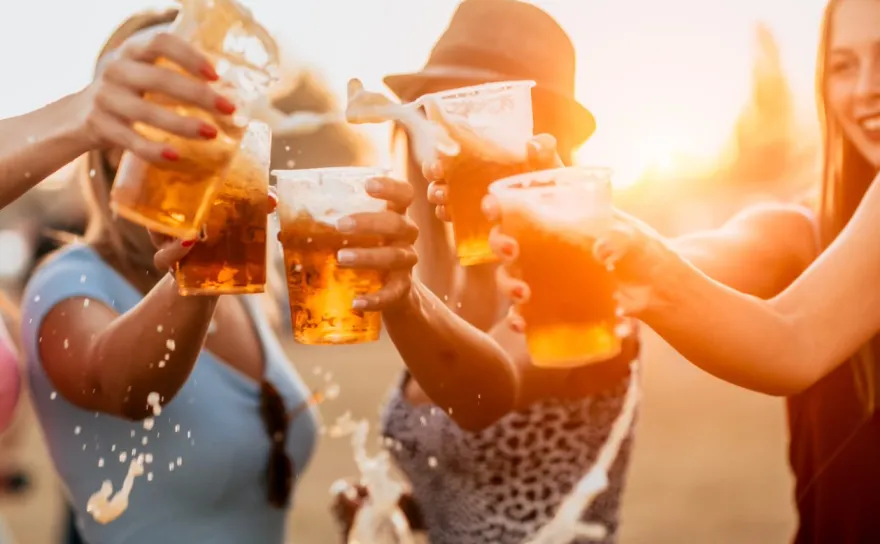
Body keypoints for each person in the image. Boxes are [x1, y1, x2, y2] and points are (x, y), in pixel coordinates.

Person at [19, 9, 417, 544]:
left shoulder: (244, 290)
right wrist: (203, 266)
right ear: (110, 140)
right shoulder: (67, 280)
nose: (201, 130)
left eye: (216, 107)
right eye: (171, 108)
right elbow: (124, 388)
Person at [487, 0, 880, 541]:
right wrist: (587, 239)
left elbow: (793, 338)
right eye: (842, 66)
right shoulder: (802, 226)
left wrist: (644, 267)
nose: (864, 88)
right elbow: (705, 252)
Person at [335, 2, 640, 543]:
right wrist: (400, 510)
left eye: (478, 115)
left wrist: (406, 301)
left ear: (538, 138)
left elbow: (482, 396)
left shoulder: (579, 280)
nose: (450, 137)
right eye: (436, 115)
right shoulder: (452, 285)